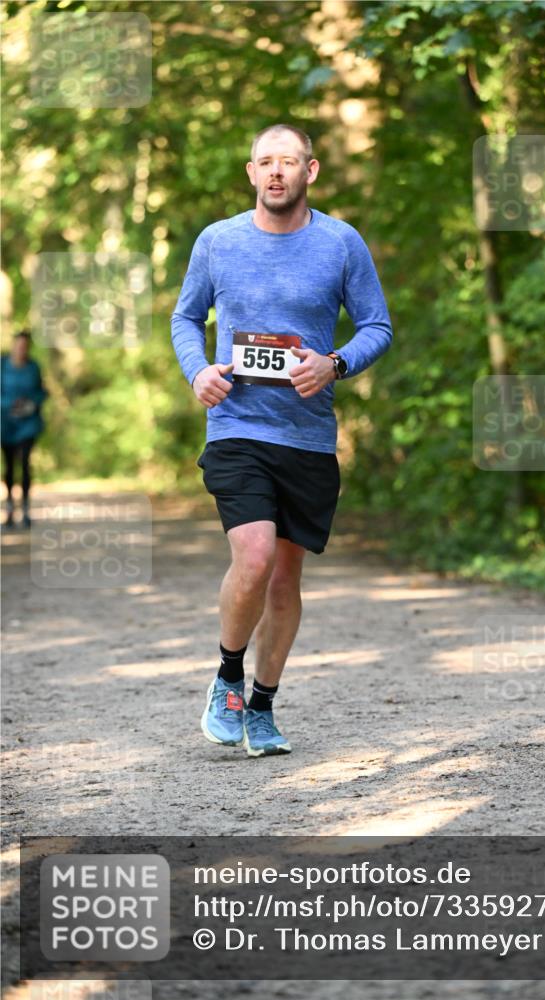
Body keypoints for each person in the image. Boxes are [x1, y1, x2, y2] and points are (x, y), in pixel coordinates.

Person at [171, 123, 392, 757]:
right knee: (256, 555)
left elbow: (377, 325)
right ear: (250, 173)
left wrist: (336, 363)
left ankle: (262, 706)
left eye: (287, 162)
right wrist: (199, 371)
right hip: (237, 427)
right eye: (264, 162)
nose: (275, 172)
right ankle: (227, 677)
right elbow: (186, 317)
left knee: (284, 582)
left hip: (309, 437)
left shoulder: (341, 244)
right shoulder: (218, 241)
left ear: (310, 171)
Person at [1, 330, 48, 529]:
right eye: (19, 345)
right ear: (13, 345)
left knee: (26, 463)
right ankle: (10, 507)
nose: (22, 349)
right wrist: (9, 405)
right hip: (5, 422)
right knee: (9, 466)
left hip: (28, 423)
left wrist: (32, 404)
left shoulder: (33, 367)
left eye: (25, 346)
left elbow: (42, 392)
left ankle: (26, 509)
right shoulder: (2, 365)